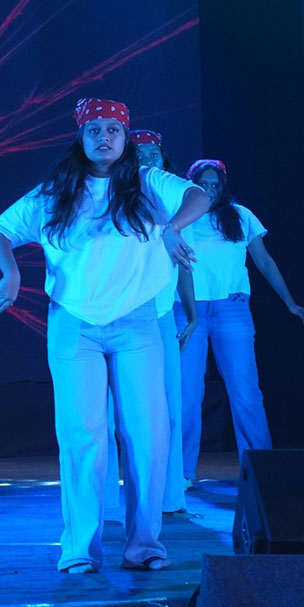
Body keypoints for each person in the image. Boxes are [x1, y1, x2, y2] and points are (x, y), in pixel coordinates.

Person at [0, 100, 209, 573]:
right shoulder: (56, 191)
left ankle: (144, 545)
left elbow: (198, 196)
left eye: (113, 129)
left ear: (126, 137)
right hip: (74, 324)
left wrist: (173, 227)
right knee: (82, 434)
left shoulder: (149, 183)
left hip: (137, 322)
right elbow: (0, 229)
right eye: (94, 130)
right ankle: (78, 549)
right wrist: (11, 272)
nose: (103, 137)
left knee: (148, 434)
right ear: (81, 137)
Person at [177, 159, 304, 473]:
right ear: (191, 186)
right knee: (186, 394)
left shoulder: (240, 216)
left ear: (223, 186)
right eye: (203, 185)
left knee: (245, 391)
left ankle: (259, 470)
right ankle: (182, 473)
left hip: (232, 307)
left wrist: (290, 304)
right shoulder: (179, 216)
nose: (209, 190)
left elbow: (264, 262)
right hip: (188, 309)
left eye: (215, 185)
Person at [103, 130, 195, 519]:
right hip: (116, 314)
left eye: (153, 154)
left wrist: (191, 313)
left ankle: (169, 496)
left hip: (160, 316)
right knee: (109, 413)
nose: (147, 161)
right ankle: (106, 501)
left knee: (167, 408)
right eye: (139, 154)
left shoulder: (174, 203)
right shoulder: (109, 196)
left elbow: (184, 263)